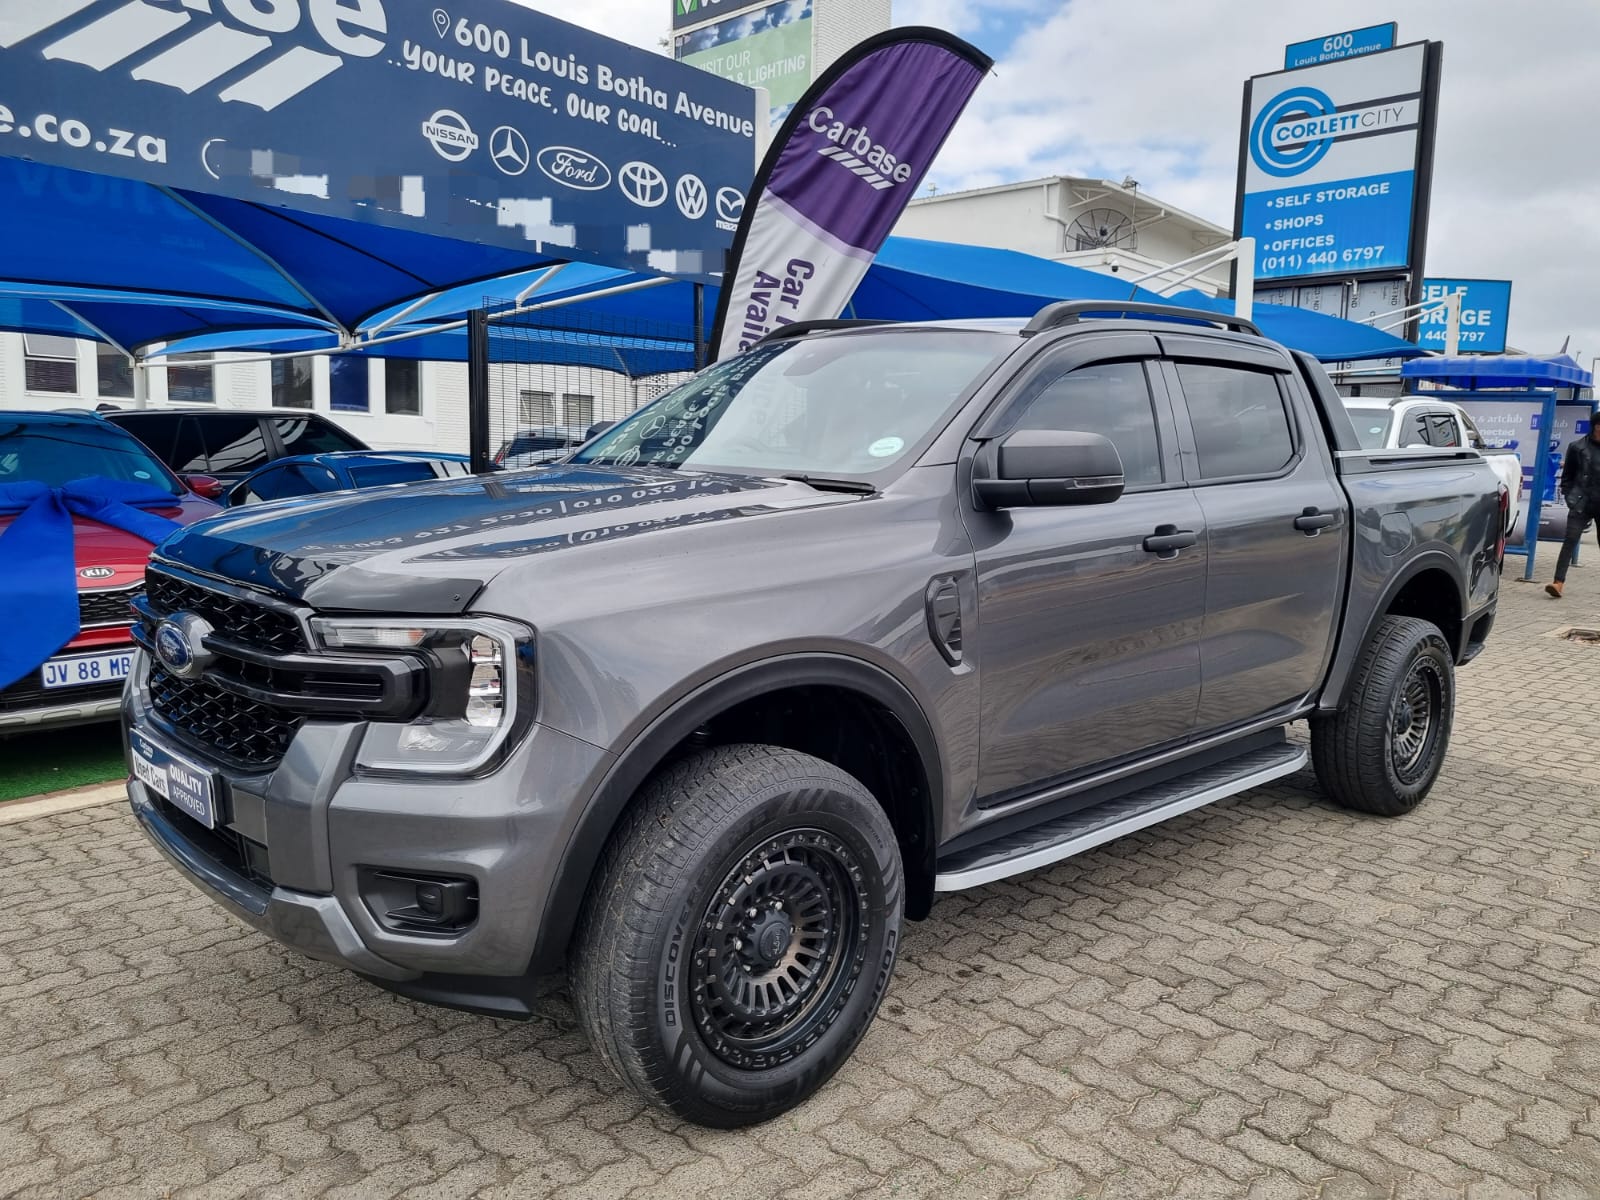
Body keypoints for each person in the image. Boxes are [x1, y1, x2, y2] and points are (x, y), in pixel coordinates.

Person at [1546, 419, 1600, 598]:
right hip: (1581, 503)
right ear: (1594, 427)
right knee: (1570, 541)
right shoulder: (1577, 447)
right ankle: (1558, 583)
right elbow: (1567, 476)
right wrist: (1571, 499)